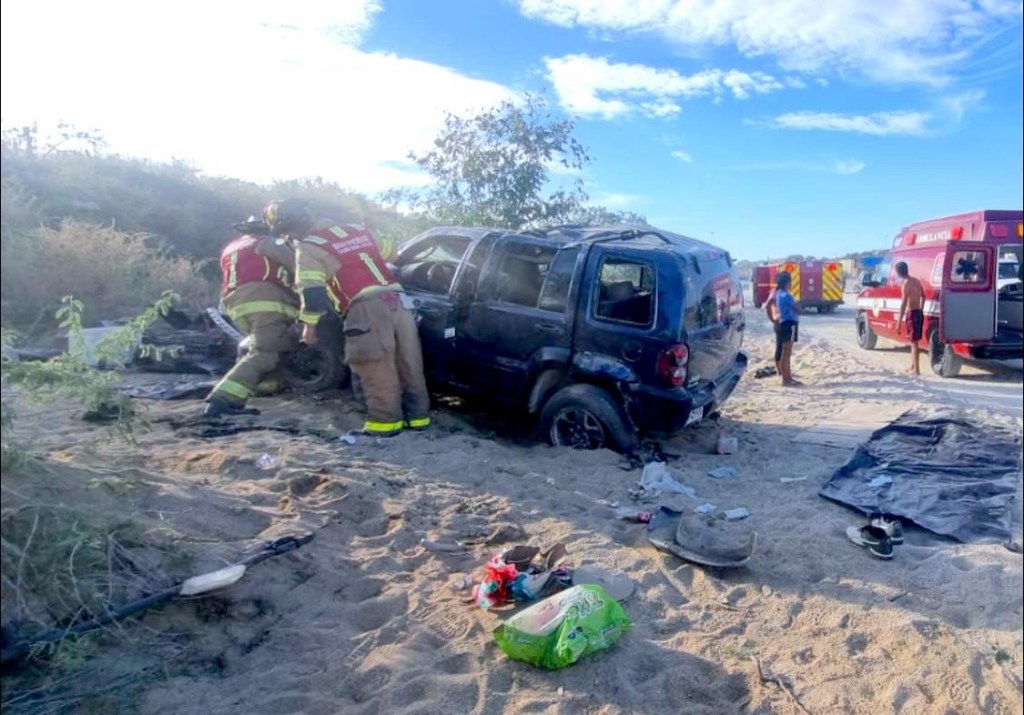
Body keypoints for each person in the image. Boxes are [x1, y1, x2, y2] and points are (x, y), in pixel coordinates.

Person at [262, 198, 430, 436]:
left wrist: (309, 328)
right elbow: (391, 253)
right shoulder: (357, 230)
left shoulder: (309, 247)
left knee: (374, 365)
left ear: (292, 228)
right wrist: (372, 226)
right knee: (408, 363)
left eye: (287, 232)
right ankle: (418, 419)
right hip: (400, 304)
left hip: (365, 308)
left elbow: (312, 291)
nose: (289, 238)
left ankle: (384, 426)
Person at [206, 216, 299, 416]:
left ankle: (266, 387)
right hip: (266, 302)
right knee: (265, 352)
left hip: (237, 305)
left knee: (274, 343)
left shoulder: (232, 247)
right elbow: (300, 266)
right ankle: (223, 400)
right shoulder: (268, 243)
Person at [894, 261, 925, 375]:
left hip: (911, 313)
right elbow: (923, 296)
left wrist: (898, 322)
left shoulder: (905, 283)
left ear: (899, 272)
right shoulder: (916, 281)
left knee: (913, 342)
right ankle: (913, 366)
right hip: (917, 312)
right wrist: (921, 309)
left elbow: (903, 303)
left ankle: (917, 370)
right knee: (914, 340)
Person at [774, 271, 802, 386]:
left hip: (783, 324)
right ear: (786, 283)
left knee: (785, 352)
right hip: (790, 324)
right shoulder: (787, 295)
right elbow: (797, 309)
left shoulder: (779, 294)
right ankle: (786, 379)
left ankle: (788, 377)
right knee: (787, 353)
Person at [764, 281, 781, 377]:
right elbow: (767, 305)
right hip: (780, 322)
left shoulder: (778, 293)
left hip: (781, 322)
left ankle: (784, 371)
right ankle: (781, 372)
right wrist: (772, 318)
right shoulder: (776, 293)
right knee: (782, 348)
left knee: (784, 348)